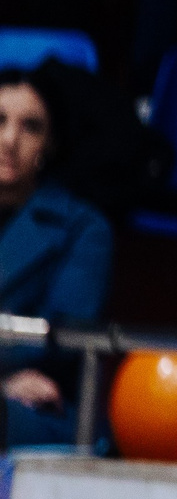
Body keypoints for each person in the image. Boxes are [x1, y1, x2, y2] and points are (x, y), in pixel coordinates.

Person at [0, 71, 113, 449]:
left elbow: (54, 341)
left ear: (49, 144)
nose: (9, 140)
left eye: (30, 127)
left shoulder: (83, 229)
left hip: (38, 410)